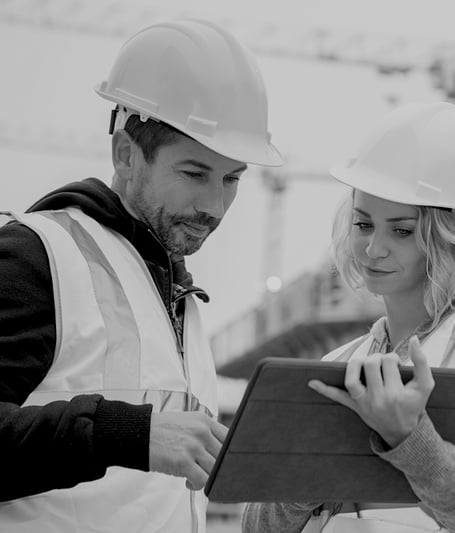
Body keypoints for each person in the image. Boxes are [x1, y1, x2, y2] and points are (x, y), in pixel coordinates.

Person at [0, 18, 283, 531]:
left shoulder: (176, 294)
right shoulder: (36, 256)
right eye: (194, 174)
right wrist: (128, 434)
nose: (215, 206)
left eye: (232, 180)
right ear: (126, 154)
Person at [242, 102, 455, 533]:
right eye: (363, 223)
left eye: (401, 230)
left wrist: (412, 439)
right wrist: (314, 467)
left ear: (445, 237)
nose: (373, 249)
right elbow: (257, 527)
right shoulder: (337, 364)